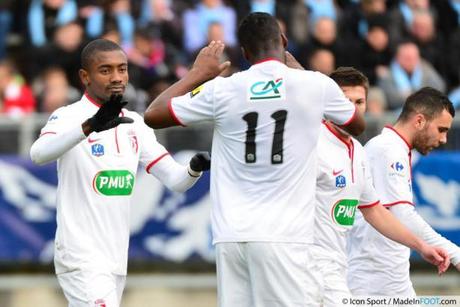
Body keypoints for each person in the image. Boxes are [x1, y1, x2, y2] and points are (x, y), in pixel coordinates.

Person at [144, 11, 368, 307]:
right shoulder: (314, 85)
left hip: (230, 237)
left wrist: (198, 73)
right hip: (284, 236)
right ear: (284, 41)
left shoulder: (222, 89)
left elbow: (153, 115)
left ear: (245, 52)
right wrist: (302, 75)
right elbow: (356, 125)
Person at [29, 39, 210, 307]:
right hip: (80, 256)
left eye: (122, 69)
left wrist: (194, 168)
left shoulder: (135, 123)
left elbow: (175, 180)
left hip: (115, 258)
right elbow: (39, 154)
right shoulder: (69, 116)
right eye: (105, 70)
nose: (117, 77)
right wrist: (90, 126)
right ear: (85, 77)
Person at [311, 67, 450, 307]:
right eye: (345, 101)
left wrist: (423, 247)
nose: (353, 109)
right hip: (341, 272)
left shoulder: (358, 152)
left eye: (359, 101)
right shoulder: (313, 142)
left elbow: (375, 210)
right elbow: (401, 214)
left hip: (366, 271)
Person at [348, 87, 460, 297]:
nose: (444, 139)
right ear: (419, 121)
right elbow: (402, 215)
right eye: (441, 129)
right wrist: (456, 255)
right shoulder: (388, 151)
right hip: (373, 282)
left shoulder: (394, 148)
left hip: (388, 277)